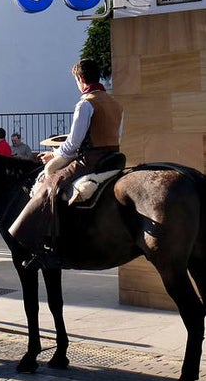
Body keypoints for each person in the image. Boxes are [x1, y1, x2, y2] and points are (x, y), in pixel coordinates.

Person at [9, 59, 123, 269]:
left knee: (49, 183)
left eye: (76, 81)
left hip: (89, 161)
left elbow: (73, 144)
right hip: (113, 158)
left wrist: (53, 157)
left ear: (80, 79)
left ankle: (47, 247)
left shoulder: (85, 103)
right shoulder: (115, 102)